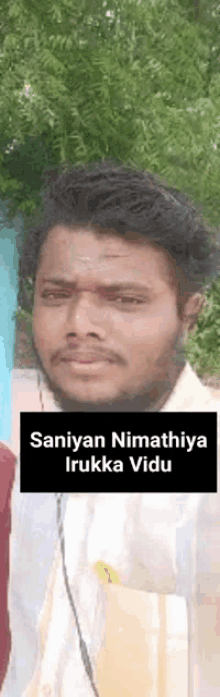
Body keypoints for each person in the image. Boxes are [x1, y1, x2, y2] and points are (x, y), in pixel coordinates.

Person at [2, 159, 220, 696]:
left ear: (188, 313)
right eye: (56, 294)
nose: (80, 326)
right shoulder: (42, 464)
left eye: (124, 300)